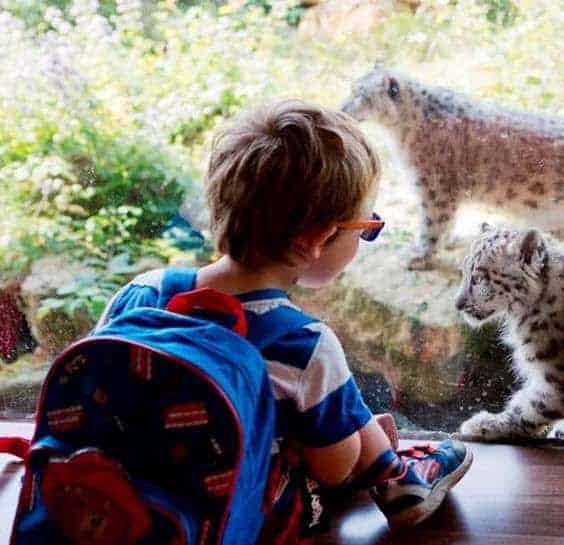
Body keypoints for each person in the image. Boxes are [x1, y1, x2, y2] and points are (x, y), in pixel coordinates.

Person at [94, 100, 472, 536]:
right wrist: (344, 436)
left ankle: (385, 462)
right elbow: (335, 467)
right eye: (367, 227)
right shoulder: (301, 344)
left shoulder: (142, 293)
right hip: (230, 521)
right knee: (332, 436)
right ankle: (394, 473)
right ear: (319, 238)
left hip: (115, 507)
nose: (368, 233)